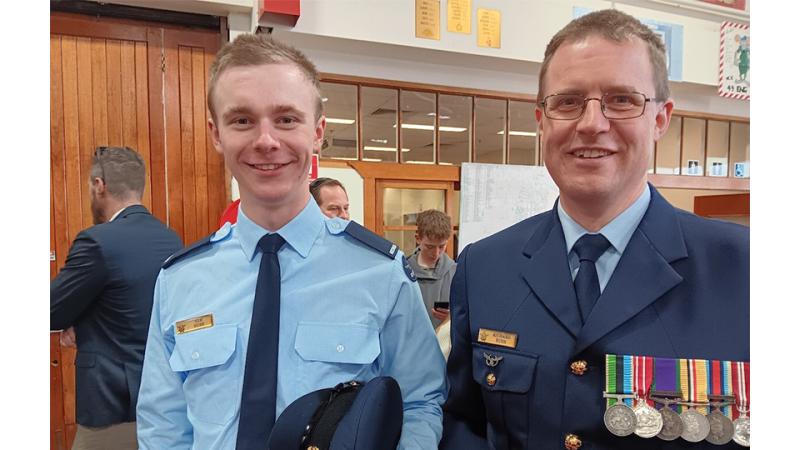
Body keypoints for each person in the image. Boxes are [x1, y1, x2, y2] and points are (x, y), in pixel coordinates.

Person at [442, 9, 748, 450]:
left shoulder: (744, 266)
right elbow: (464, 422)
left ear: (660, 119)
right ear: (542, 121)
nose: (591, 123)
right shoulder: (486, 266)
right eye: (567, 102)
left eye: (621, 99)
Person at [136, 34, 446, 450]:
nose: (266, 140)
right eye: (242, 120)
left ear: (317, 132)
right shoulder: (180, 281)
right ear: (216, 134)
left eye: (286, 119)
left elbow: (421, 402)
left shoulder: (380, 273)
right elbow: (163, 425)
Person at [50, 146, 183, 450]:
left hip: (110, 405)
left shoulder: (96, 241)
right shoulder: (170, 238)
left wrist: (73, 320)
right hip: (161, 398)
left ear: (99, 185)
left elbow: (51, 310)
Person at [407, 209, 456, 328]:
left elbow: (464, 314)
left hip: (443, 343)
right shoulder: (403, 270)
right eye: (430, 246)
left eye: (442, 246)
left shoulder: (456, 272)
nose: (436, 253)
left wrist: (451, 317)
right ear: (418, 238)